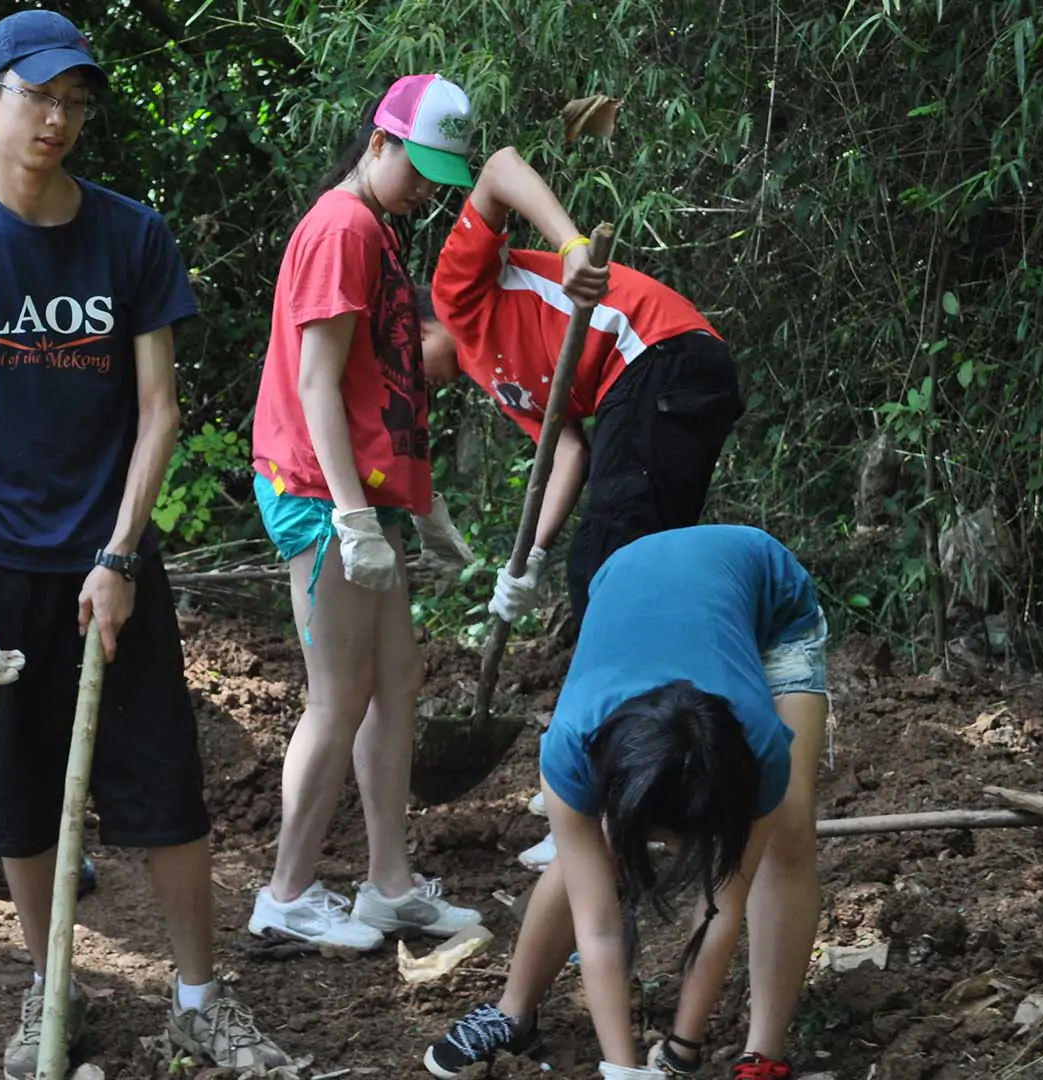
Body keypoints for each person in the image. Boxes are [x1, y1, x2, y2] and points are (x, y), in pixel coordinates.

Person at [0, 11, 288, 1076]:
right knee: (16, 798)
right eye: (38, 96)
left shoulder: (130, 236)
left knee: (163, 784)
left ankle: (198, 1002)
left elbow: (159, 412)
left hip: (113, 565)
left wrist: (118, 557)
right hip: (1, 574)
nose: (57, 119)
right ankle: (47, 989)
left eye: (75, 101)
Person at [422, 525, 829, 1080]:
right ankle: (513, 1013)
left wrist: (682, 1053)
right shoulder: (572, 747)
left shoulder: (758, 752)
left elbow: (721, 905)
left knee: (787, 833)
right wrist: (623, 1069)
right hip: (630, 575)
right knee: (590, 856)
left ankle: (763, 1055)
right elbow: (598, 927)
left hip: (766, 591)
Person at [246, 74, 493, 953]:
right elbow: (316, 383)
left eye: (439, 176)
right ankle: (285, 894)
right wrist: (354, 518)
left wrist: (413, 503)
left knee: (396, 683)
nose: (426, 188)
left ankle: (389, 886)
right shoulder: (341, 228)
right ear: (379, 142)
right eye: (417, 168)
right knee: (340, 695)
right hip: (318, 493)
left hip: (357, 492)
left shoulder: (376, 230)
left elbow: (376, 383)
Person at [421, 146, 740, 631]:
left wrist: (571, 248)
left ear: (417, 331)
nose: (415, 387)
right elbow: (567, 452)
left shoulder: (455, 296)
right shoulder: (495, 378)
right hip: (671, 379)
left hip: (653, 352)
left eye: (405, 368)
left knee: (604, 562)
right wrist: (529, 558)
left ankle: (623, 677)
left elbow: (499, 168)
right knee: (652, 555)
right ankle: (684, 666)